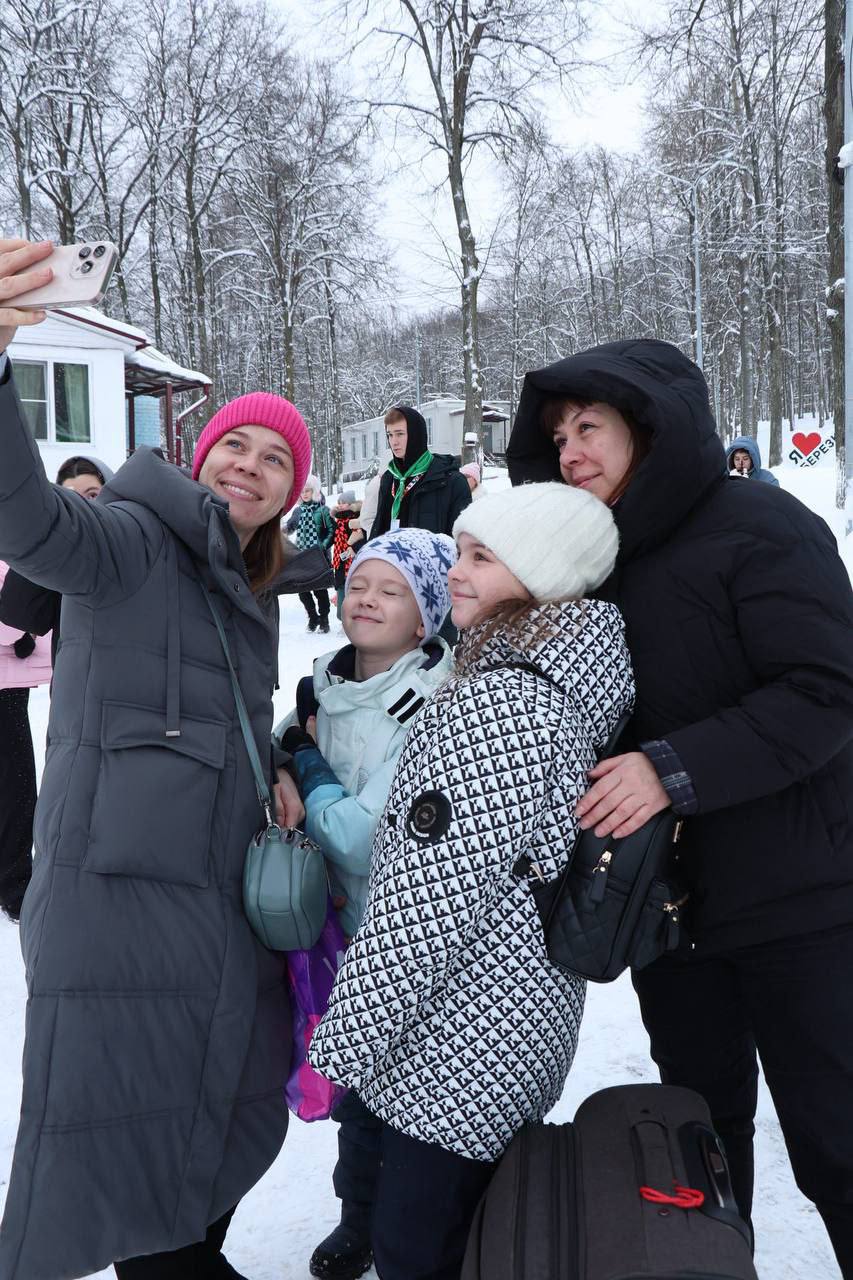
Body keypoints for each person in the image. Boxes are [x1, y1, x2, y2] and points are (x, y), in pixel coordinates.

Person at [505, 337, 853, 1273]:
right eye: (557, 435)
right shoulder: (584, 559)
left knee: (836, 1142)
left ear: (650, 432)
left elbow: (824, 691)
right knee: (700, 1147)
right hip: (666, 913)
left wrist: (670, 768)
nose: (570, 449)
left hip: (800, 902)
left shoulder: (758, 524)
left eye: (590, 427)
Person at [0, 236, 310, 1280]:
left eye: (275, 460)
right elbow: (30, 522)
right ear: (198, 453)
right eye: (237, 446)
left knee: (215, 1128)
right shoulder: (130, 539)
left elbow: (221, 712)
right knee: (133, 1172)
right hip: (119, 920)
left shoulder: (246, 593)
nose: (251, 468)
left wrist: (270, 760)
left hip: (215, 913)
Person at [309, 482, 634, 1280]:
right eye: (459, 550)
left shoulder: (503, 703)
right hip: (511, 1015)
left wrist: (343, 1041)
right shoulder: (563, 674)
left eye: (482, 557)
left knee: (420, 1252)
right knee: (477, 1239)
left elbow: (428, 899)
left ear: (541, 574)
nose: (457, 571)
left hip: (457, 1040)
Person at [274, 528, 456, 1280]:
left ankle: (411, 1225)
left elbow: (358, 837)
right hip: (333, 926)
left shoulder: (433, 702)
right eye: (357, 586)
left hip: (402, 934)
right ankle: (357, 1216)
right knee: (353, 1091)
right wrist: (288, 756)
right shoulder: (321, 682)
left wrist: (305, 764)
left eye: (392, 591)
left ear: (426, 618)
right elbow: (280, 746)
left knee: (403, 1087)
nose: (365, 600)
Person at [0, 453, 115, 662]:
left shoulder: (138, 551)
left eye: (92, 495)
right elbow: (20, 614)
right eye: (73, 498)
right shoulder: (60, 566)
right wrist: (39, 539)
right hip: (71, 689)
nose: (84, 507)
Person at [0, 559, 51, 921]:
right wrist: (18, 627)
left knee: (15, 785)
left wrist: (25, 630)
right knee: (15, 786)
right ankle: (16, 885)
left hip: (9, 682)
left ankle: (16, 883)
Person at [370, 406, 471, 539]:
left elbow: (461, 541)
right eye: (390, 435)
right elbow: (379, 530)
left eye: (400, 434)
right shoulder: (389, 479)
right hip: (392, 558)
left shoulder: (451, 480)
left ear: (416, 435)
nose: (394, 442)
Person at [287, 475, 335, 632]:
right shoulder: (298, 511)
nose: (305, 494)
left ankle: (324, 620)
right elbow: (290, 527)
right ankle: (313, 617)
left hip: (318, 557)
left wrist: (322, 546)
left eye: (308, 490)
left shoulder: (323, 511)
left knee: (320, 590)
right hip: (301, 556)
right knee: (302, 590)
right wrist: (281, 531)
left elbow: (331, 531)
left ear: (314, 491)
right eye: (302, 491)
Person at [330, 490, 361, 623]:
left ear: (351, 504)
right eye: (339, 503)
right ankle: (343, 617)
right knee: (341, 586)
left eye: (344, 503)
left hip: (351, 559)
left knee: (351, 587)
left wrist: (350, 549)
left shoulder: (354, 520)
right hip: (340, 560)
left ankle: (351, 618)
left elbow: (358, 538)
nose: (340, 506)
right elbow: (334, 537)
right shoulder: (339, 520)